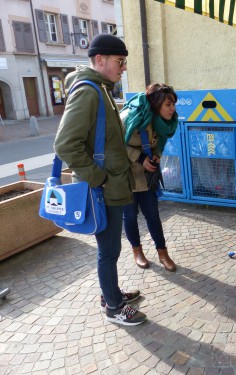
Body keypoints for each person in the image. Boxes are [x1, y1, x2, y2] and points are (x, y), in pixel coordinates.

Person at [54, 34, 146, 326]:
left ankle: (111, 294)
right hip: (103, 189)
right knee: (109, 251)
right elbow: (66, 144)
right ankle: (114, 308)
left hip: (111, 186)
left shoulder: (101, 89)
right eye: (120, 62)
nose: (124, 68)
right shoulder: (88, 92)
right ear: (99, 60)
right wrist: (100, 178)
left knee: (111, 249)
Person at [120, 84, 178, 272]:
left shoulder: (163, 122)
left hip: (147, 176)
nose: (173, 109)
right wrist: (141, 158)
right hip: (126, 176)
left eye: (173, 104)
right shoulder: (131, 118)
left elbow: (160, 141)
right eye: (168, 105)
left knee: (152, 214)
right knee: (129, 215)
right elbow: (114, 144)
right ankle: (137, 251)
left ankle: (163, 253)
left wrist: (157, 155)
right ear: (156, 104)